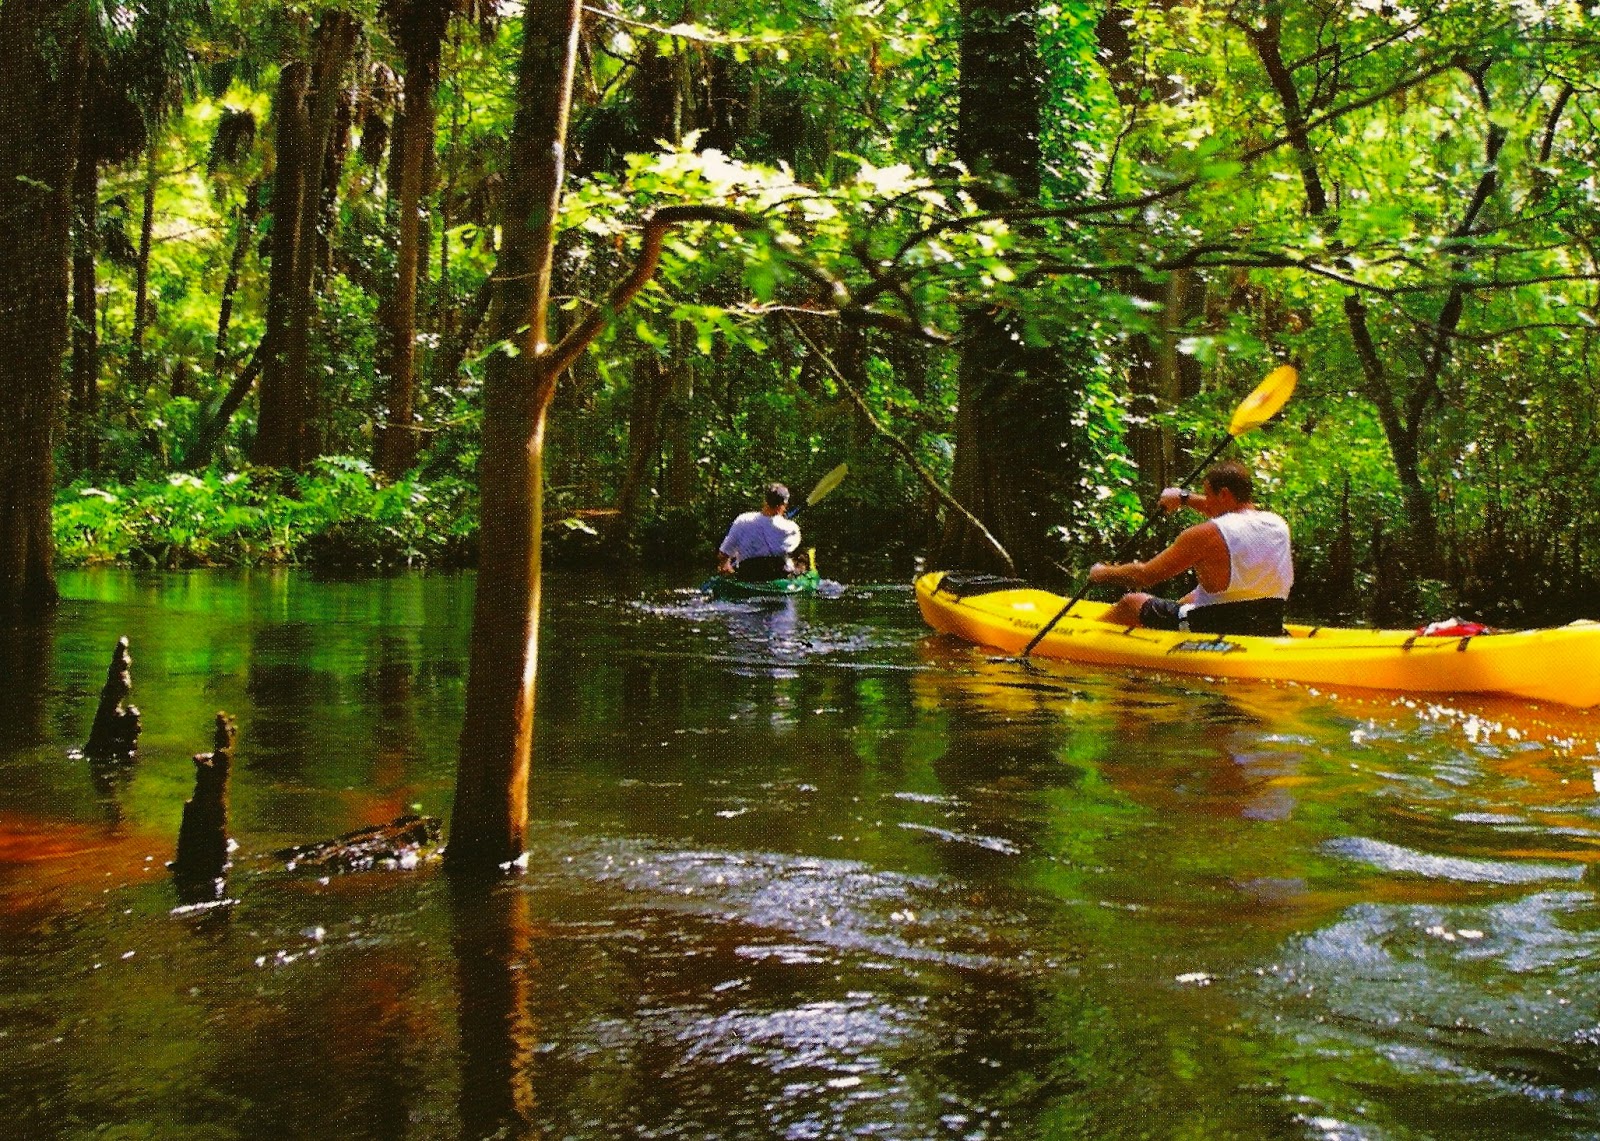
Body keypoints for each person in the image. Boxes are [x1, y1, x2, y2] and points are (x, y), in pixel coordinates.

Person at [1087, 459, 1292, 636]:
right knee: (1192, 596)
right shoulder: (1277, 524)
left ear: (1224, 494)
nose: (1206, 503)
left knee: (1131, 603)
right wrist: (1183, 498)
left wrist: (1103, 572)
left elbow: (1145, 576)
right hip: (1267, 624)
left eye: (1208, 495)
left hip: (1214, 624)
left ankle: (1087, 636)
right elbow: (1228, 513)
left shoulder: (1205, 534)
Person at [717, 483, 802, 581]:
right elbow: (793, 552)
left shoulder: (742, 520)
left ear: (765, 501)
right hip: (778, 578)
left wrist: (726, 563)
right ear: (785, 505)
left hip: (748, 577)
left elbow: (723, 554)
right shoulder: (792, 528)